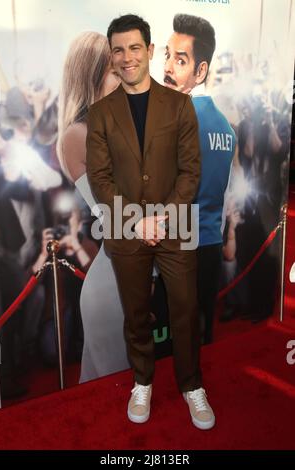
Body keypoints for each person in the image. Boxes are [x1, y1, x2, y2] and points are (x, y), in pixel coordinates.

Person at [86, 14, 215, 430]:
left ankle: (192, 385)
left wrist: (162, 216)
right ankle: (142, 380)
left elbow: (190, 171)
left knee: (184, 310)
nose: (127, 57)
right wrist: (135, 221)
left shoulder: (179, 105)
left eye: (135, 48)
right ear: (112, 56)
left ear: (150, 50)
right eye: (119, 50)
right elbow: (99, 178)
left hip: (175, 228)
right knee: (137, 314)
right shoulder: (101, 113)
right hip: (127, 232)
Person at [57, 31, 130, 381]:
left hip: (132, 271)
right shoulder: (78, 135)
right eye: (115, 70)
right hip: (114, 283)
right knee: (113, 394)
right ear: (93, 75)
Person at [164, 14, 236, 343]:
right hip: (211, 244)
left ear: (201, 70)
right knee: (204, 336)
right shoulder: (227, 129)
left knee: (175, 342)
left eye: (180, 60)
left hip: (180, 248)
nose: (167, 67)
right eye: (167, 55)